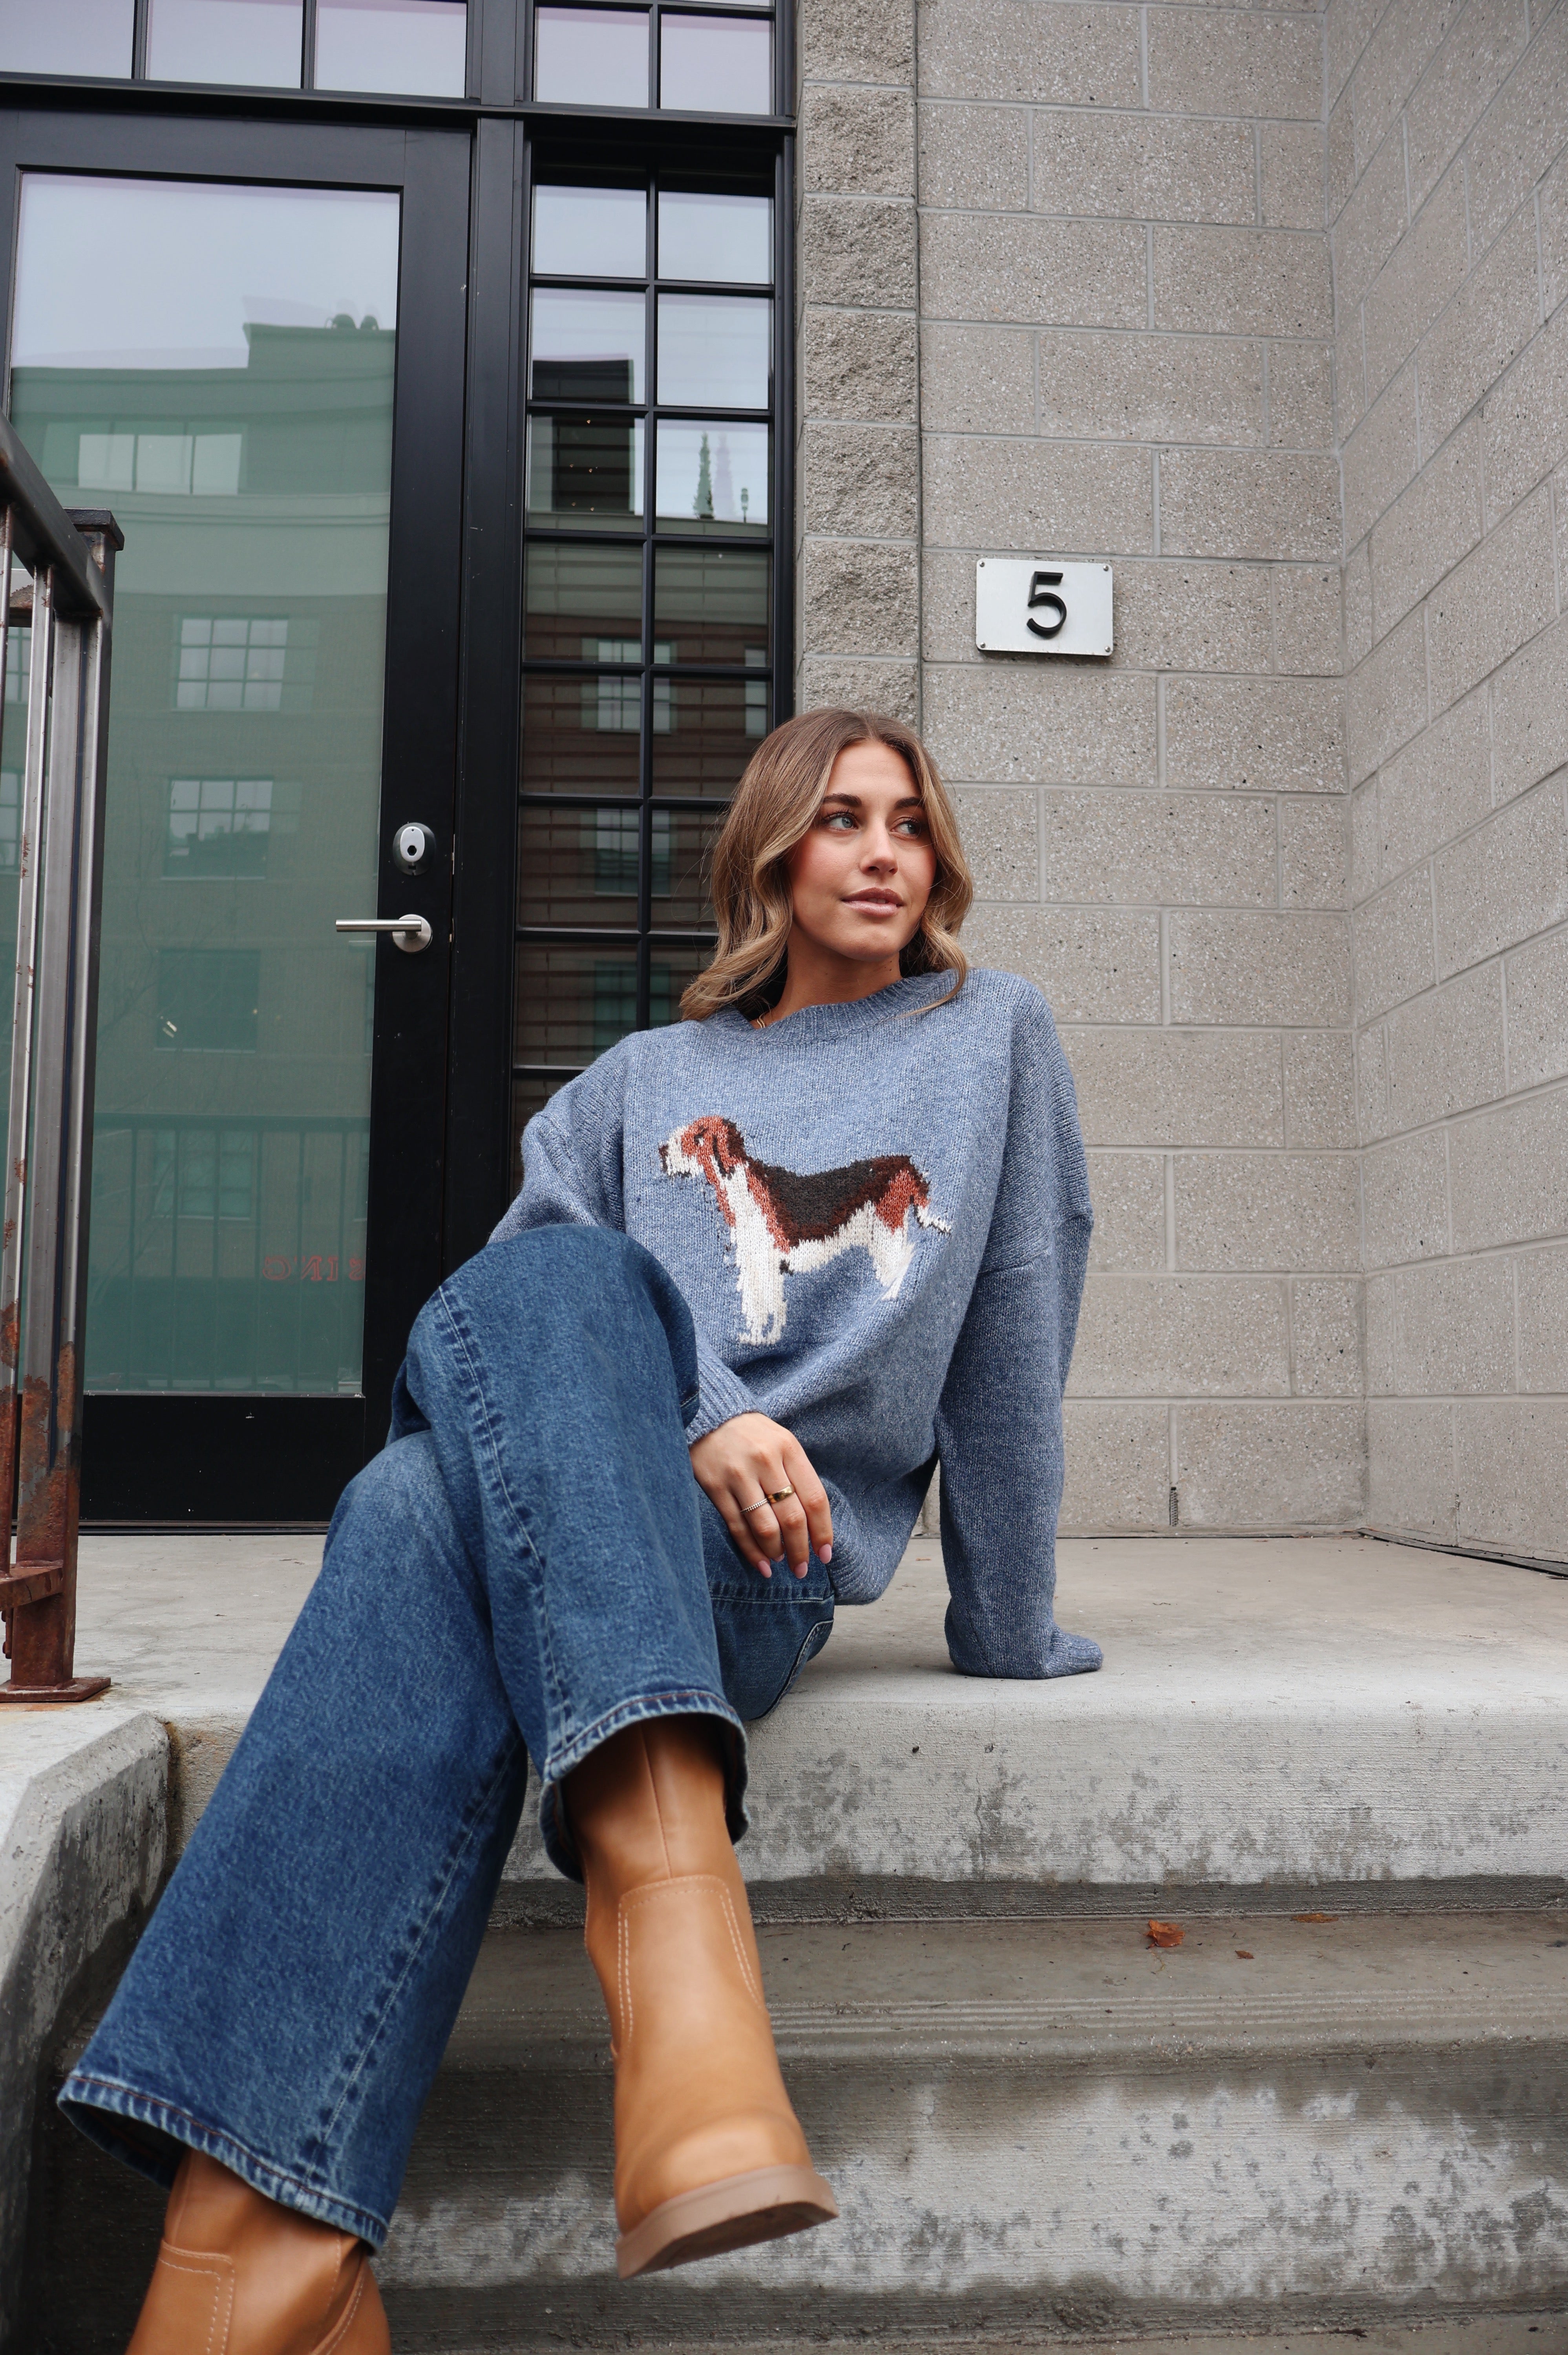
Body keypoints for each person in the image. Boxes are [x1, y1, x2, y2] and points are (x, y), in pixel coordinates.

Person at [60, 708, 1100, 2355]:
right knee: (544, 1290)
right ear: (770, 853)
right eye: (841, 819)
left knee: (408, 1505)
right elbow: (488, 1336)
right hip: (607, 1502)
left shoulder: (992, 1036)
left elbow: (1015, 1337)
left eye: (910, 822)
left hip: (741, 1573)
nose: (884, 853)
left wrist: (1008, 1622)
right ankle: (677, 1964)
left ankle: (240, 2262)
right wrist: (704, 1413)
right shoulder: (641, 1082)